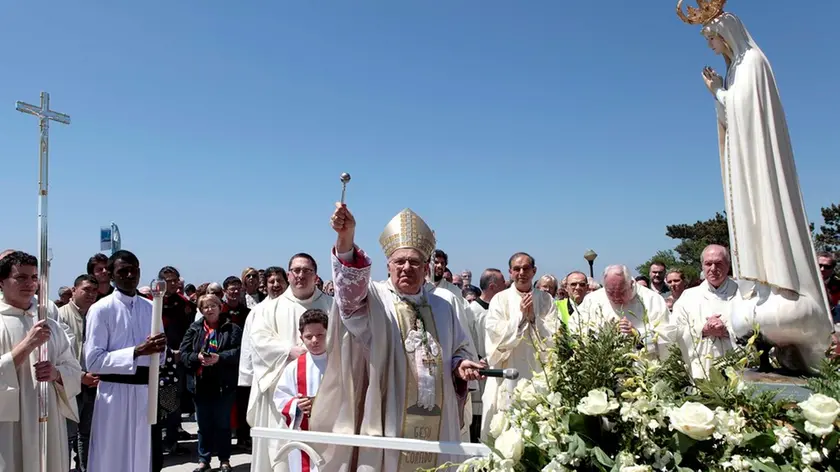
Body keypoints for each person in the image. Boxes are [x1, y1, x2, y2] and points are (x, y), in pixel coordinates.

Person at [677, 1, 834, 371]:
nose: (712, 48)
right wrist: (721, 92)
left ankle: (780, 284)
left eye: (712, 39)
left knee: (768, 215)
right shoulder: (736, 71)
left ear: (726, 33)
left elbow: (747, 113)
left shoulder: (752, 65)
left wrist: (717, 92)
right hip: (745, 164)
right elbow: (734, 118)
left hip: (761, 165)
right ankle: (764, 285)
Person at [310, 204, 484, 471]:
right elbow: (348, 298)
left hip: (437, 417)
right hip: (389, 412)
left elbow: (458, 349)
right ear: (388, 265)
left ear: (426, 267)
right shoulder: (375, 300)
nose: (406, 267)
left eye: (414, 262)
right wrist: (346, 239)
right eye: (399, 261)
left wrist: (461, 365)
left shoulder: (444, 305)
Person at [246, 255, 332, 472]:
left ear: (316, 274)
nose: (300, 275)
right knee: (282, 457)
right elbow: (259, 343)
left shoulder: (334, 307)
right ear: (289, 274)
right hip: (282, 397)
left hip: (327, 394)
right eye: (295, 270)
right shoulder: (266, 310)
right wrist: (289, 351)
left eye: (306, 270)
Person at [84, 250, 167, 472]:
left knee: (142, 455)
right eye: (123, 271)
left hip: (144, 393)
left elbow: (159, 358)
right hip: (114, 393)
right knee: (111, 454)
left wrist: (160, 349)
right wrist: (136, 352)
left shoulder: (151, 307)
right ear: (111, 275)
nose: (130, 275)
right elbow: (93, 361)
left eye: (134, 270)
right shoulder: (101, 309)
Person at [0, 251, 82, 472]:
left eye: (34, 277)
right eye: (21, 277)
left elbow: (74, 369)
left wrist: (56, 374)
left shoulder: (51, 326)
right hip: (9, 423)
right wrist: (26, 346)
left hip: (48, 418)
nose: (29, 284)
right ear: (2, 281)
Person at [480, 253, 560, 440]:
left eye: (526, 268)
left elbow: (555, 336)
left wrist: (533, 318)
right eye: (516, 269)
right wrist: (520, 317)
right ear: (510, 272)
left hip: (537, 373)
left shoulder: (546, 300)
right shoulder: (499, 300)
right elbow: (494, 336)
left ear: (534, 271)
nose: (521, 272)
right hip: (508, 371)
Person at [181, 294, 241, 472]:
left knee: (223, 425)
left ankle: (224, 460)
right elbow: (184, 354)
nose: (210, 309)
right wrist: (197, 357)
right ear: (200, 310)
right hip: (200, 385)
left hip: (223, 384)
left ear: (220, 306)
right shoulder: (194, 328)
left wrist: (219, 358)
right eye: (205, 307)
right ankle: (203, 460)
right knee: (204, 425)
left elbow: (239, 352)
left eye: (213, 305)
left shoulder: (232, 328)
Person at [273, 308, 330, 472]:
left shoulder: (340, 362)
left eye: (320, 335)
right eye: (308, 336)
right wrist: (296, 405)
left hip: (334, 432)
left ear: (329, 332)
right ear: (301, 337)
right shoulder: (294, 368)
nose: (314, 340)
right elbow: (280, 398)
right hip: (304, 433)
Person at [58, 274, 100, 472]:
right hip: (68, 384)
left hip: (94, 383)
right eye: (86, 290)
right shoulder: (60, 315)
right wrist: (80, 375)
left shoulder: (97, 314)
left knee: (87, 434)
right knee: (66, 436)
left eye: (94, 290)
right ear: (73, 291)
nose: (91, 294)